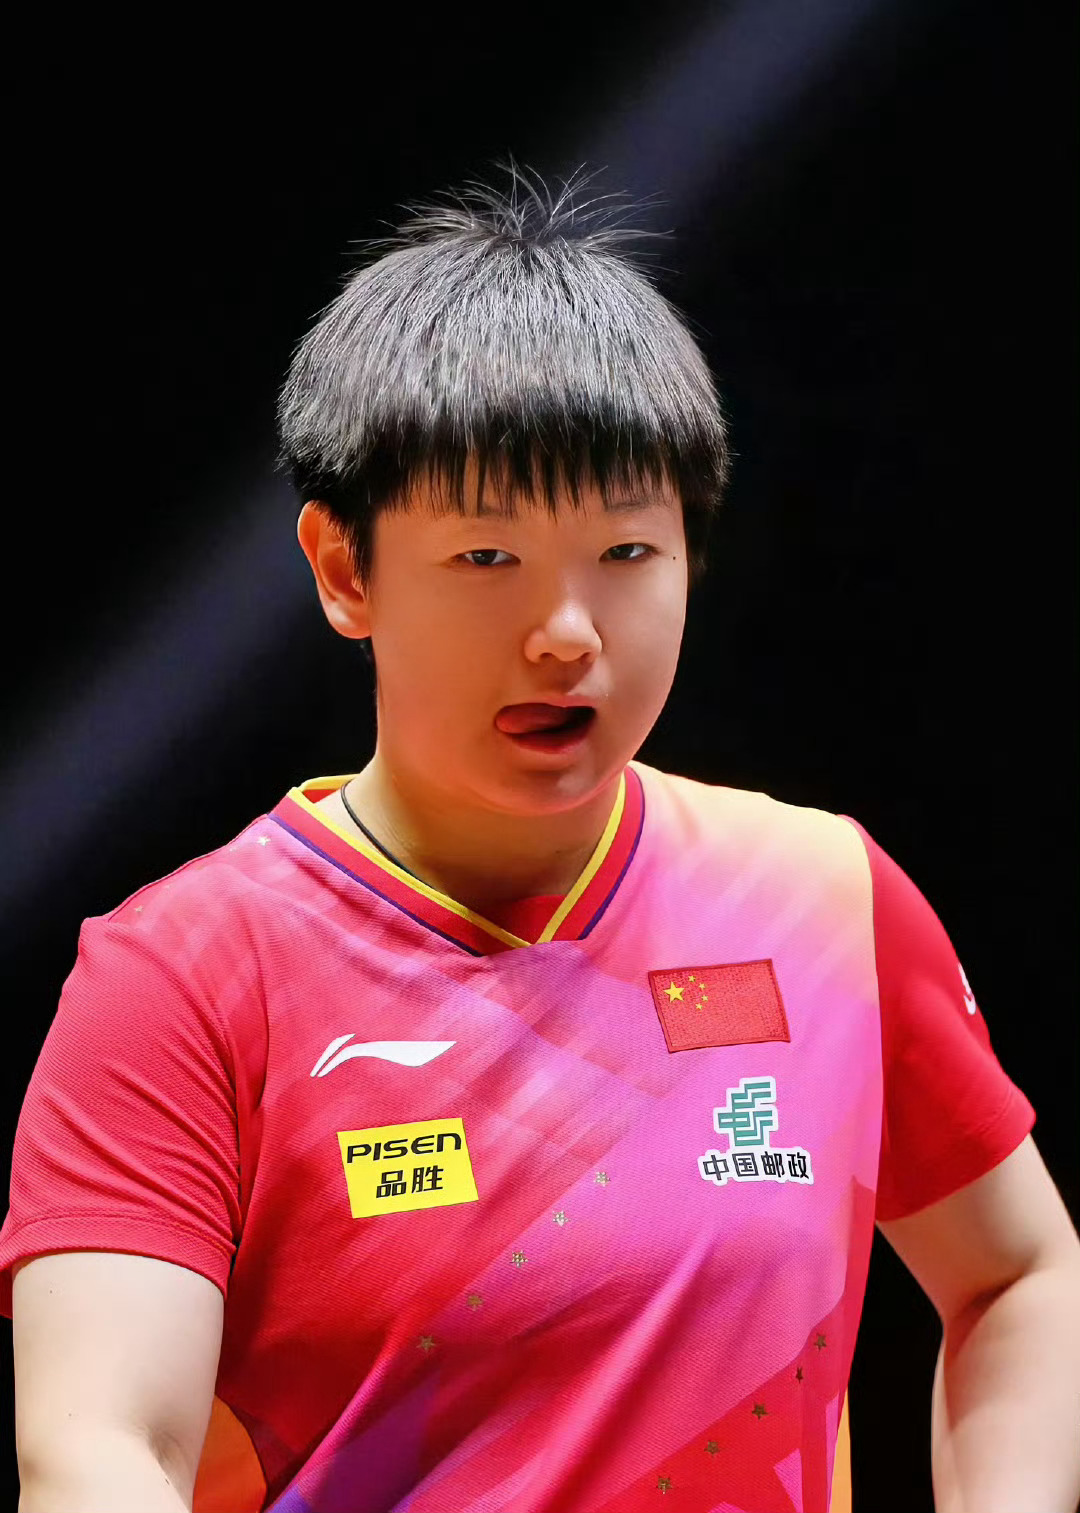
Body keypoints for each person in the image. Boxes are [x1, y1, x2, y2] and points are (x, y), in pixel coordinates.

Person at [2, 164, 1078, 1513]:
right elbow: (98, 1450)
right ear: (344, 568)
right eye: (487, 558)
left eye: (626, 555)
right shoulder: (181, 976)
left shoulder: (823, 898)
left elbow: (1019, 1271)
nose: (567, 634)